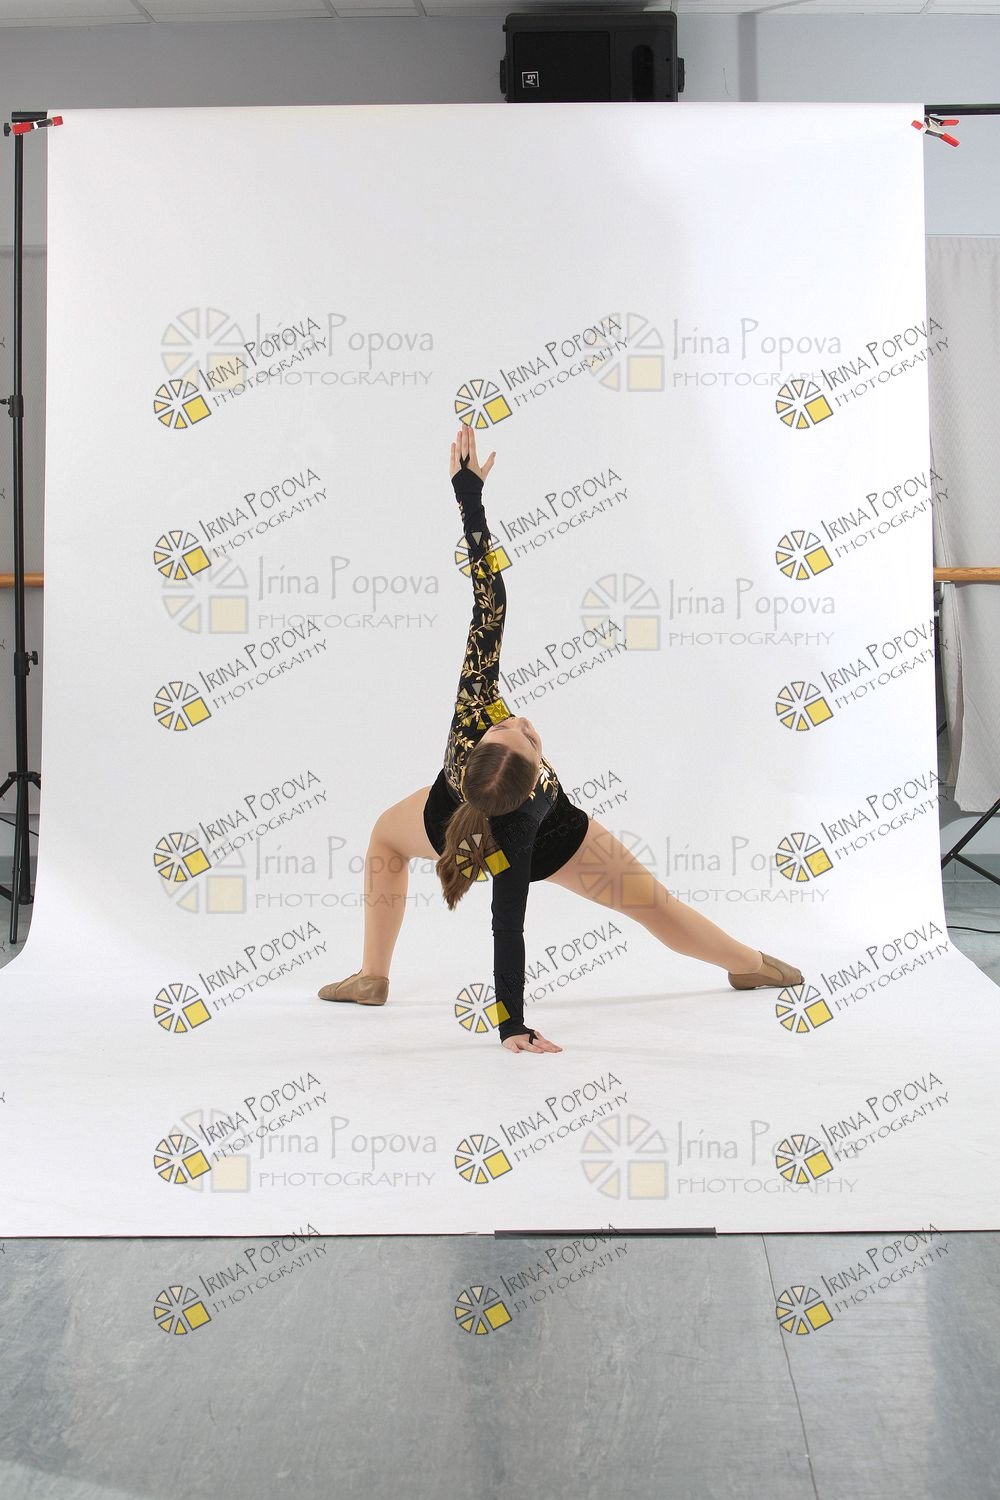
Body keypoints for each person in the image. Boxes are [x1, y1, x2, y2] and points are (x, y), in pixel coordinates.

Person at [318, 421, 803, 1054]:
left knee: (391, 837)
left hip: (461, 821)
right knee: (654, 906)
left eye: (513, 729)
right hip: (540, 838)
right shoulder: (520, 818)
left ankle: (748, 965)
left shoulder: (473, 710)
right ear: (515, 771)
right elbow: (508, 928)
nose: (519, 722)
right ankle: (748, 963)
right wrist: (511, 1025)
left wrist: (468, 496)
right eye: (522, 735)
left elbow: (489, 601)